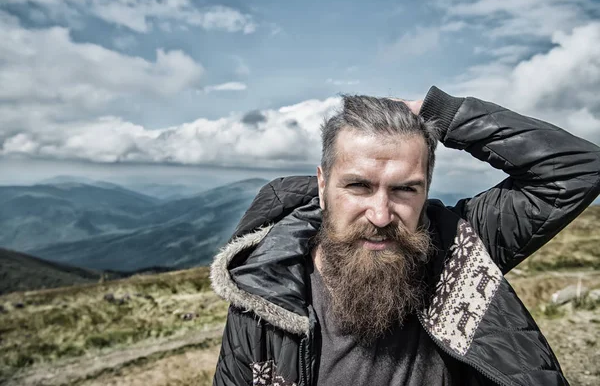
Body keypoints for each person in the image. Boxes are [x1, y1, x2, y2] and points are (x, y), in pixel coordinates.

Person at [210, 86, 600, 385]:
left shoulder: (461, 248)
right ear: (323, 184)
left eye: (404, 190)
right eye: (359, 186)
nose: (380, 215)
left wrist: (442, 114)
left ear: (427, 189)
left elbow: (578, 170)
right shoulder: (266, 290)